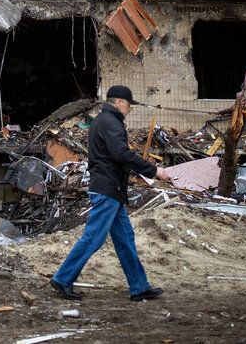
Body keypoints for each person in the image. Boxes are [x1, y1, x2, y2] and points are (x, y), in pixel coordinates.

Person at [49, 85, 172, 302]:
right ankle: (63, 278)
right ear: (118, 102)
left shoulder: (102, 121)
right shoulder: (110, 122)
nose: (130, 109)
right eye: (129, 105)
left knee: (125, 239)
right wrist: (154, 170)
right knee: (94, 238)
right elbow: (121, 154)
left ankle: (139, 287)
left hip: (111, 190)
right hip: (107, 190)